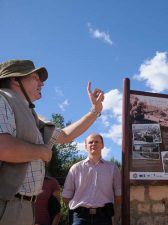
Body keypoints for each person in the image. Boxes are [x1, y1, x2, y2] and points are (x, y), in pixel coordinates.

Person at [0, 59, 104, 225]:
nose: (41, 83)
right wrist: (41, 152)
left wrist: (95, 111)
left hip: (23, 207)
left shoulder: (32, 115)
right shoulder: (2, 99)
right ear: (15, 79)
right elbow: (3, 147)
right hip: (7, 205)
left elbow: (65, 136)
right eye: (35, 77)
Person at [62, 132, 121, 225]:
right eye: (90, 142)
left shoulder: (112, 168)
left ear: (102, 145)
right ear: (85, 146)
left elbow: (119, 195)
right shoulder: (76, 168)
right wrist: (80, 208)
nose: (93, 144)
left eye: (97, 142)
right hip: (79, 217)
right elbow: (66, 196)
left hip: (104, 217)